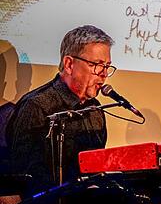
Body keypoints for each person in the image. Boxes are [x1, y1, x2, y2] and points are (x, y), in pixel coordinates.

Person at [7, 25, 114, 195]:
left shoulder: (96, 111)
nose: (104, 74)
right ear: (69, 64)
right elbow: (20, 176)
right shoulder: (37, 106)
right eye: (96, 65)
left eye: (107, 66)